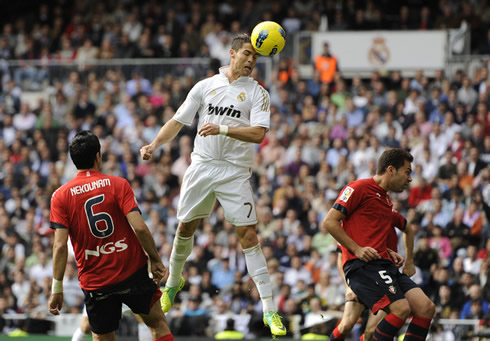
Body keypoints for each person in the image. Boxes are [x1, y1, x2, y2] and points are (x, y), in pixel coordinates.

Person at [139, 33, 286, 336]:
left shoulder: (258, 93)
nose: (251, 60)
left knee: (248, 236)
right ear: (232, 54)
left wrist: (222, 128)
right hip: (203, 166)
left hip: (234, 171)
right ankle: (172, 284)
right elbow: (178, 121)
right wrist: (154, 144)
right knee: (185, 228)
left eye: (255, 57)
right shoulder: (206, 86)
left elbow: (259, 135)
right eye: (247, 54)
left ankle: (270, 309)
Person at [48, 131, 173, 341]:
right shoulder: (118, 184)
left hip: (96, 282)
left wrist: (57, 288)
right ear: (98, 156)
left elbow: (60, 246)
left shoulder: (60, 196)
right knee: (158, 325)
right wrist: (155, 260)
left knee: (102, 338)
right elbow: (140, 228)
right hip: (131, 271)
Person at [323, 148, 435, 341]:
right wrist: (357, 249)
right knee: (398, 310)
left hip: (384, 265)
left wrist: (391, 251)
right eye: (407, 172)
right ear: (391, 170)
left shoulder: (385, 201)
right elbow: (329, 222)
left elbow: (381, 234)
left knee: (426, 308)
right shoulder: (358, 188)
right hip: (362, 267)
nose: (410, 178)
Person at [330, 211, 416, 341]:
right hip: (361, 277)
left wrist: (409, 261)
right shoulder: (350, 222)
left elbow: (408, 229)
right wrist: (348, 286)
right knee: (346, 325)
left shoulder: (387, 212)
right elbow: (341, 256)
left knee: (371, 331)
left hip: (384, 278)